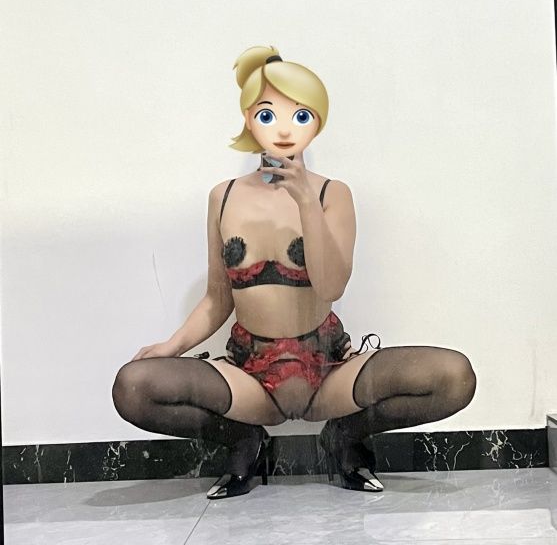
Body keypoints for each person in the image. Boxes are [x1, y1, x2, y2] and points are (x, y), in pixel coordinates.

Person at [112, 45, 477, 499]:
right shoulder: (223, 197)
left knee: (453, 376)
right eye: (268, 115)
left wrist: (306, 200)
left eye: (300, 116)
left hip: (328, 368)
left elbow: (332, 285)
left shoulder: (332, 194)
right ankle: (244, 441)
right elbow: (218, 298)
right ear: (249, 119)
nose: (284, 130)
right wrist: (170, 346)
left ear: (317, 122)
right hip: (249, 374)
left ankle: (343, 436)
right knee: (133, 387)